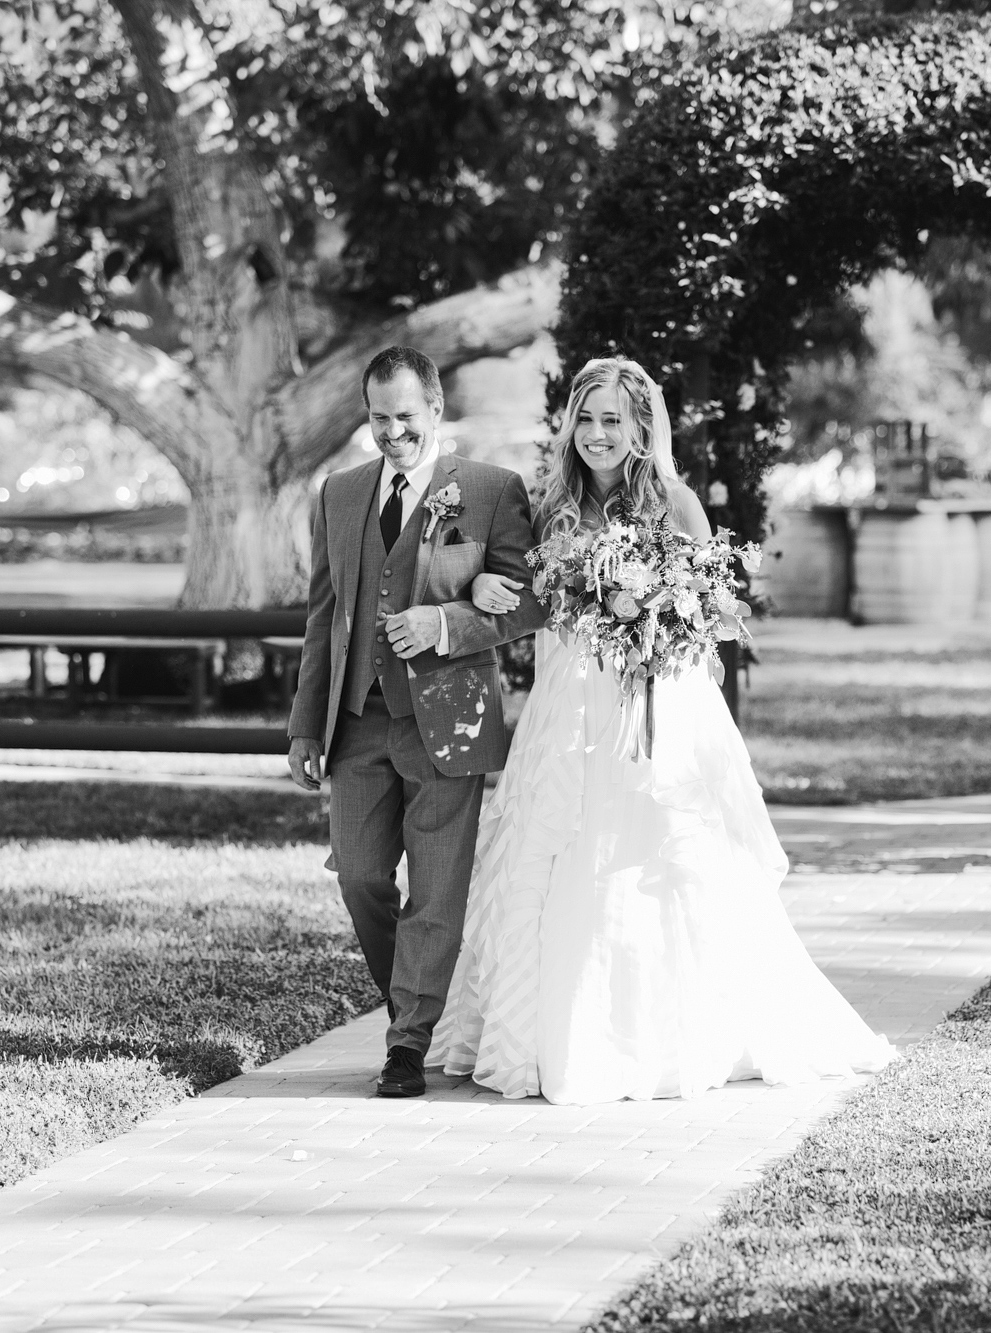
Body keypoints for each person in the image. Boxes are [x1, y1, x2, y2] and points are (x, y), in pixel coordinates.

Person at [429, 357, 894, 1104]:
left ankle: (670, 1034)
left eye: (613, 419)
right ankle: (538, 1032)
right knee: (550, 850)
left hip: (655, 705)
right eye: (586, 419)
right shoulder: (550, 504)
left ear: (642, 426)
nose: (597, 434)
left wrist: (656, 622)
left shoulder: (675, 503)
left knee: (653, 857)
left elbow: (707, 618)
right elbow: (522, 595)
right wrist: (483, 581)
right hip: (565, 708)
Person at [288, 346, 545, 1099]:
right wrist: (307, 726)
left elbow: (530, 600)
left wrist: (445, 623)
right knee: (362, 873)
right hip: (358, 718)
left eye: (406, 417)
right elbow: (322, 618)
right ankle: (415, 997)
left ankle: (406, 1044)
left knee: (435, 891)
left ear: (434, 410)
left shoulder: (492, 490)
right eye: (378, 417)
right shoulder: (338, 493)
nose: (393, 432)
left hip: (449, 719)